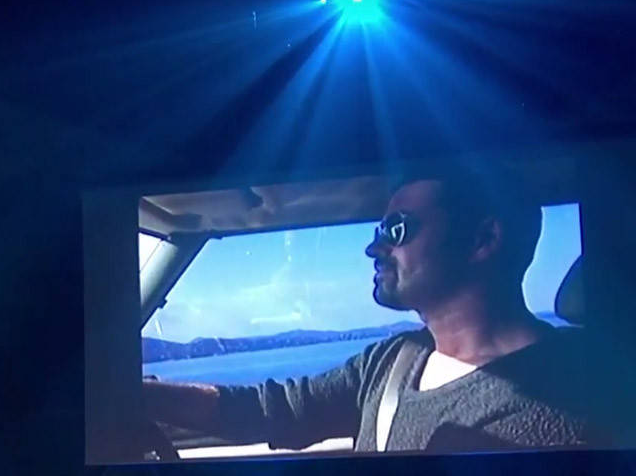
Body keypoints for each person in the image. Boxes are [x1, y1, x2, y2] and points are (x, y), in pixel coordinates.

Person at [143, 167, 597, 453]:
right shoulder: (395, 359)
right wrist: (139, 394)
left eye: (396, 229)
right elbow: (272, 410)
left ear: (483, 240)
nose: (373, 248)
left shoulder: (561, 408)